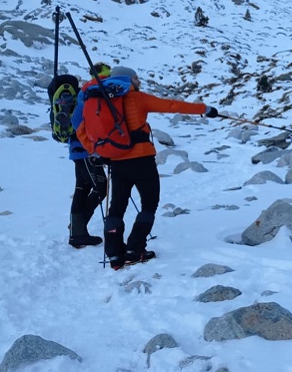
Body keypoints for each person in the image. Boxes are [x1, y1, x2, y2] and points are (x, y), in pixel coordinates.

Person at [92, 66, 218, 270]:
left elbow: (84, 128)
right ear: (129, 79)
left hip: (116, 161)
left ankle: (115, 255)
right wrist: (205, 109)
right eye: (136, 78)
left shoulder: (100, 101)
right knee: (149, 203)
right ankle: (135, 249)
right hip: (142, 160)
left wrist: (99, 153)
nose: (138, 82)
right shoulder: (138, 98)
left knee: (117, 207)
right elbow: (172, 105)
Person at [67, 62, 111, 248]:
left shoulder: (89, 93)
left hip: (79, 150)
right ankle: (77, 230)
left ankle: (77, 233)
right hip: (86, 151)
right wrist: (91, 146)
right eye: (106, 76)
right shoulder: (90, 94)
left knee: (82, 189)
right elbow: (78, 121)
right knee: (100, 188)